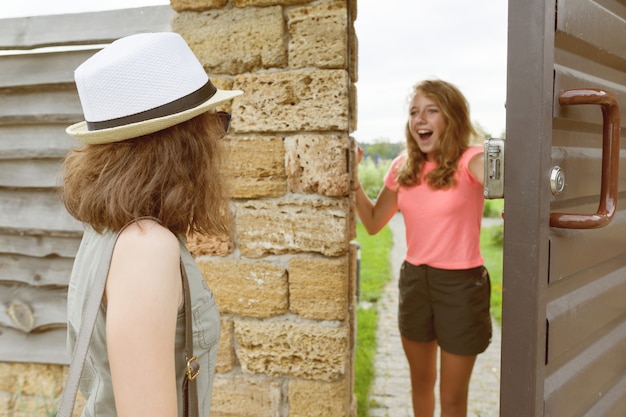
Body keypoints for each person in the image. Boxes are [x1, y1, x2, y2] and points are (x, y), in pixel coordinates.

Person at [60, 32, 242, 417]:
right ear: (184, 142)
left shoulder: (109, 230)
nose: (219, 139)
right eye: (217, 122)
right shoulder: (146, 247)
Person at [355, 79, 491, 417]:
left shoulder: (470, 160)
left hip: (461, 287)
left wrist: (513, 199)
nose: (420, 120)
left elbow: (501, 179)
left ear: (453, 117)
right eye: (414, 112)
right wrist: (352, 177)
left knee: (452, 397)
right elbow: (373, 222)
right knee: (420, 383)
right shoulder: (403, 166)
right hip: (415, 281)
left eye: (431, 111)